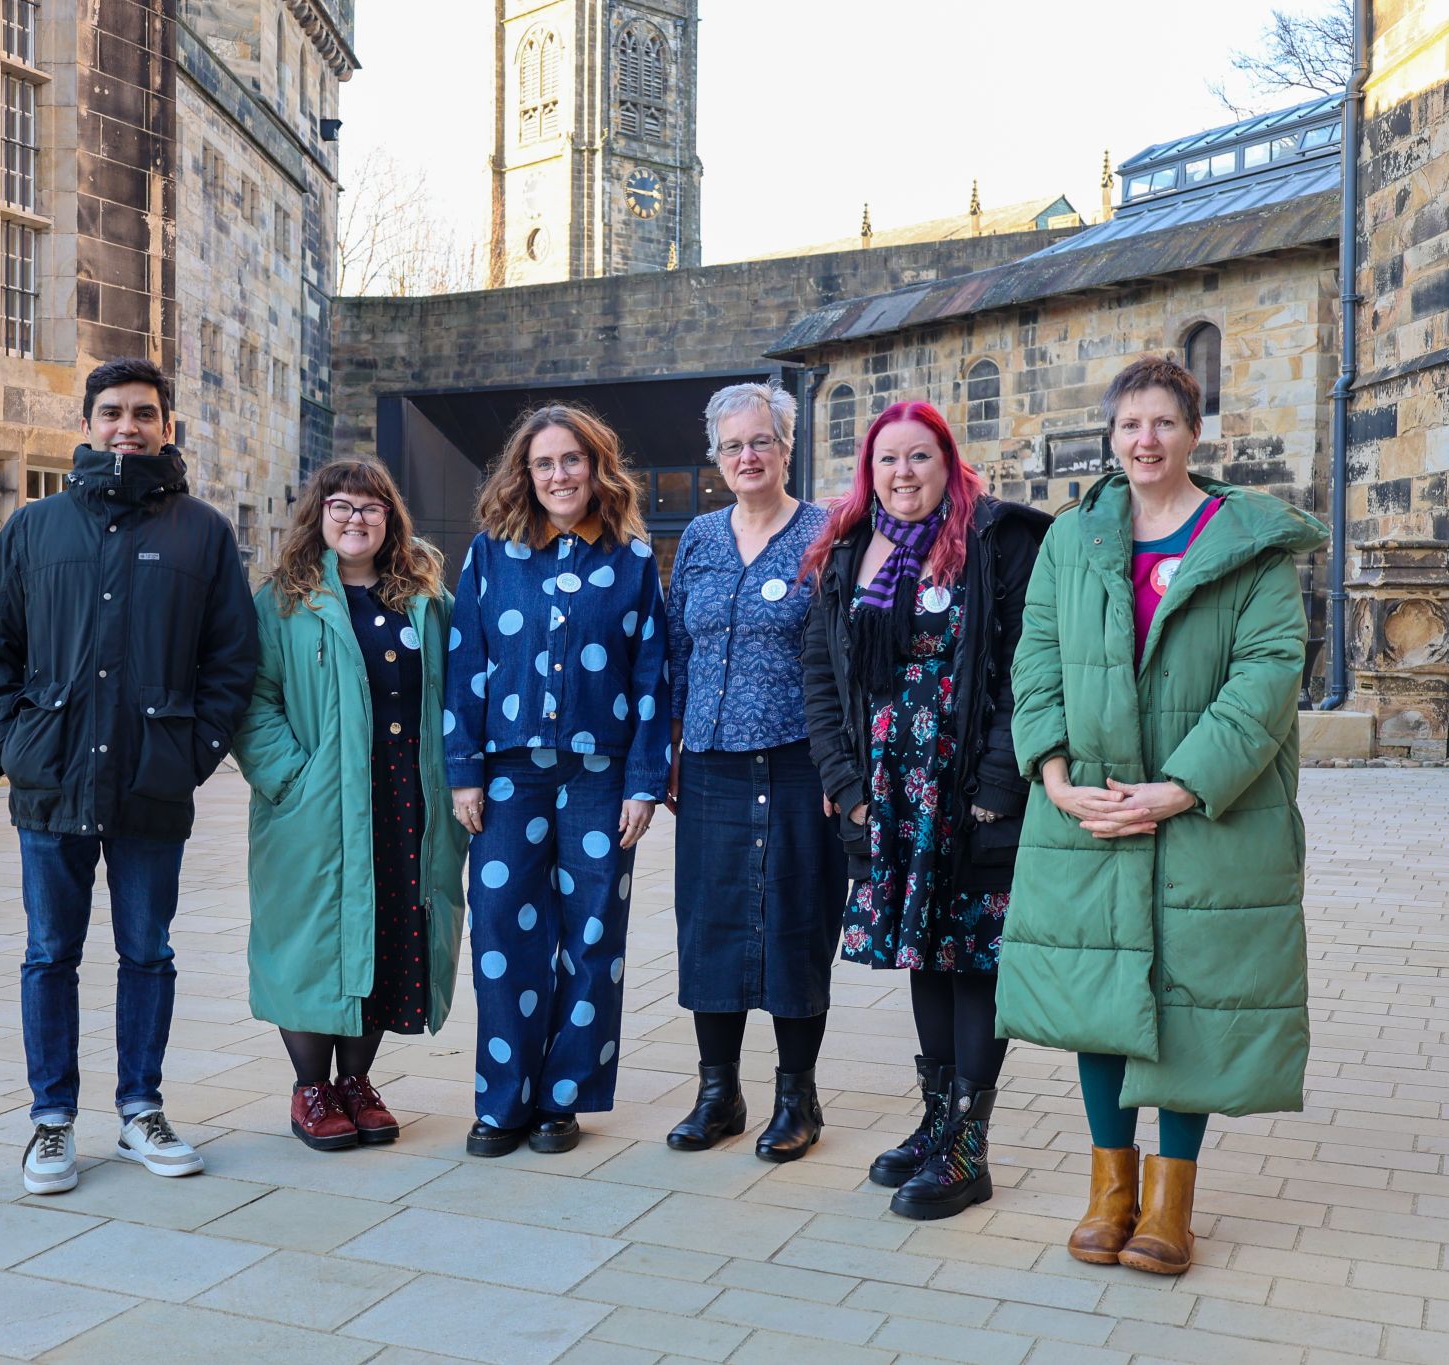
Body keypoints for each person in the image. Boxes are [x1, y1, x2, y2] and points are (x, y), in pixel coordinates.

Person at [998, 354, 1325, 1275]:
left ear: (1194, 432)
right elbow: (1038, 659)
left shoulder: (1250, 545)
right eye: (1131, 424)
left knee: (1192, 1001)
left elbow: (1266, 680)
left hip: (1209, 816)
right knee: (1100, 995)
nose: (1146, 440)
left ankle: (1171, 1203)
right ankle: (1110, 1190)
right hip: (1090, 810)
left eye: (1165, 423)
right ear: (1113, 435)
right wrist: (1052, 773)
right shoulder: (1073, 538)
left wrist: (1179, 787)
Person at [0, 357, 259, 1195]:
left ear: (167, 425)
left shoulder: (201, 532)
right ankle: (51, 1121)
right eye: (111, 412)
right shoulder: (35, 527)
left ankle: (140, 1109)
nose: (126, 426)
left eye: (142, 413)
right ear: (87, 423)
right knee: (49, 953)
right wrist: (13, 742)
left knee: (148, 952)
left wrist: (191, 753)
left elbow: (230, 661)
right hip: (50, 781)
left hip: (150, 783)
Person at [799, 399, 1048, 1221]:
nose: (902, 474)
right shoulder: (847, 550)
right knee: (924, 954)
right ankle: (936, 1123)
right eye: (887, 461)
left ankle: (968, 1149)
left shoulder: (993, 540)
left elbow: (1023, 669)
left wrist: (997, 787)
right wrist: (844, 782)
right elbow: (822, 676)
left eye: (919, 458)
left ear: (948, 463)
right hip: (887, 795)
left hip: (967, 791)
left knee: (972, 958)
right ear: (869, 472)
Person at [444, 403, 670, 1158]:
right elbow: (465, 666)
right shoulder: (490, 554)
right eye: (544, 463)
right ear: (525, 474)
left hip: (602, 778)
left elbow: (652, 678)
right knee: (503, 933)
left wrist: (645, 780)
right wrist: (463, 771)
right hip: (509, 777)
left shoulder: (634, 561)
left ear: (596, 466)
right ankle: (503, 1100)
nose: (559, 474)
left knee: (593, 936)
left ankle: (562, 1100)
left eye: (571, 459)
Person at [233, 459, 468, 1151]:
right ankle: (312, 1087)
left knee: (389, 933)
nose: (355, 519)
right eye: (340, 505)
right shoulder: (285, 600)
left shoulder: (425, 598)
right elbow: (253, 702)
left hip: (404, 800)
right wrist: (293, 779)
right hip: (317, 806)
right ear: (319, 515)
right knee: (311, 941)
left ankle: (357, 1081)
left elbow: (458, 690)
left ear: (390, 519)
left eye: (369, 507)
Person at [662, 383, 842, 1163]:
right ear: (717, 456)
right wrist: (667, 747)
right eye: (732, 445)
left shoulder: (827, 532)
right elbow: (676, 649)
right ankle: (718, 1092)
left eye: (760, 442)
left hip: (802, 761)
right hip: (709, 765)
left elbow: (843, 652)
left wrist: (845, 768)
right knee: (712, 925)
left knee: (797, 924)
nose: (747, 457)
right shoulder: (700, 538)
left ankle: (797, 1096)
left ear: (786, 446)